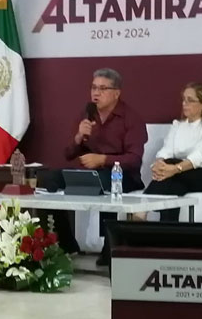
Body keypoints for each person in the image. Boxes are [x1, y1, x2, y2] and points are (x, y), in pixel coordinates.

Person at [44, 68, 147, 265]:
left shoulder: (131, 119)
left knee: (104, 182)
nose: (96, 93)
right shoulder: (87, 115)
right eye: (93, 88)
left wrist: (102, 160)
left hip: (124, 177)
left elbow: (134, 159)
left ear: (116, 93)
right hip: (91, 174)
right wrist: (78, 137)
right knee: (49, 180)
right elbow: (68, 154)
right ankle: (67, 243)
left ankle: (110, 250)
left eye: (102, 88)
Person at [134, 83, 202, 222]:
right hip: (183, 175)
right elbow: (166, 150)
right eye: (184, 99)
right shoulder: (177, 125)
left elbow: (200, 157)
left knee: (171, 165)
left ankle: (142, 208)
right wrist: (159, 164)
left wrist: (174, 168)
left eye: (190, 100)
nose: (185, 104)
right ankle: (168, 230)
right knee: (174, 187)